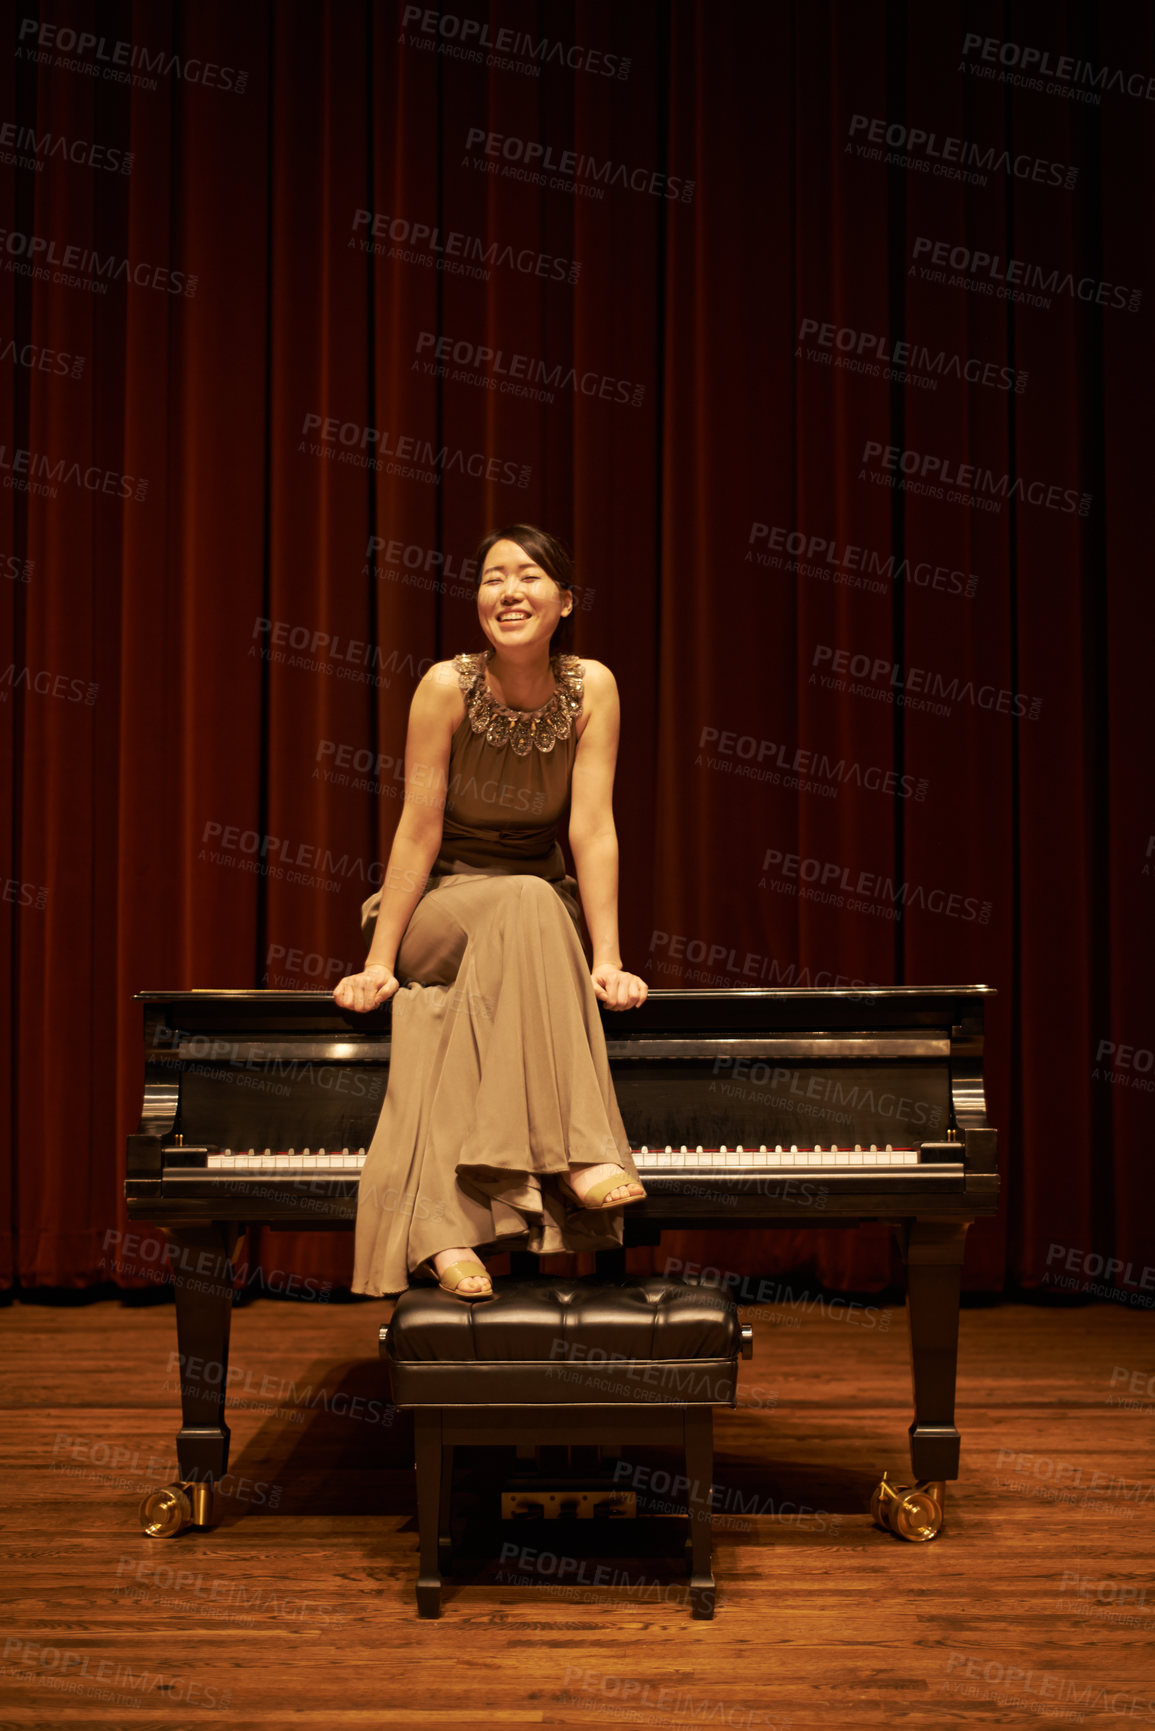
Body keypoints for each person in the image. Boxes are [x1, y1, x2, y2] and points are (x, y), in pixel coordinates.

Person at [334, 523, 648, 1301]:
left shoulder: (592, 687)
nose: (508, 592)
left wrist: (605, 958)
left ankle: (445, 1229)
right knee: (526, 897)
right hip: (437, 910)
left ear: (566, 600)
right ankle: (577, 1149)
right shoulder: (446, 685)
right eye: (492, 578)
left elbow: (592, 827)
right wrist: (380, 962)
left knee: (466, 993)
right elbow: (418, 826)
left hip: (536, 922)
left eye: (530, 576)